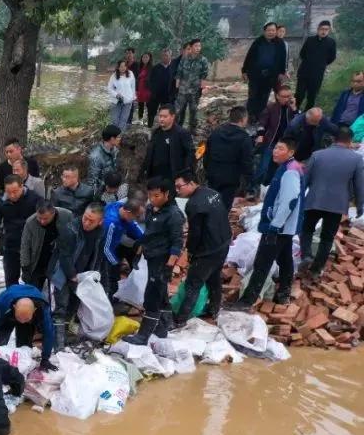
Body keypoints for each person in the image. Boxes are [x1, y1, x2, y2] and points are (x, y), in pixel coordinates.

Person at [227, 139, 305, 310]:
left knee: (262, 262)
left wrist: (275, 225)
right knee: (284, 259)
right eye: (275, 147)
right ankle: (284, 293)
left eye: (280, 149)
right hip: (285, 227)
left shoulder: (290, 172)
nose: (275, 151)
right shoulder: (288, 168)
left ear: (290, 152)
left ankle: (247, 301)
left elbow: (289, 201)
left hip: (278, 227)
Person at [299, 126, 364, 279]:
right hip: (337, 205)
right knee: (327, 238)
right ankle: (316, 269)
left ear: (334, 139)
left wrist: (300, 199)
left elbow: (304, 180)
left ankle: (307, 255)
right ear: (350, 141)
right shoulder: (356, 159)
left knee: (307, 230)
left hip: (314, 200)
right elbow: (360, 186)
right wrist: (360, 206)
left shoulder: (317, 155)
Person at [123, 178, 183, 344]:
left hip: (162, 260)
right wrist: (138, 252)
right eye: (150, 195)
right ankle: (163, 327)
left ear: (166, 194)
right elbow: (148, 234)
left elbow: (177, 243)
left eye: (157, 195)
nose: (153, 199)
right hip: (150, 256)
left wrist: (169, 267)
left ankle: (143, 336)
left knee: (152, 295)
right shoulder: (151, 209)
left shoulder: (173, 215)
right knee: (161, 292)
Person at [173, 172, 231, 324]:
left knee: (193, 284)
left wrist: (191, 252)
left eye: (180, 187)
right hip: (223, 243)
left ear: (191, 183)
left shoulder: (194, 204)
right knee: (214, 278)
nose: (178, 191)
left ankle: (180, 320)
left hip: (208, 250)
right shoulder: (213, 193)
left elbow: (195, 233)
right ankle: (214, 309)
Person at [50, 202, 105, 341]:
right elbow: (64, 256)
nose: (86, 223)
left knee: (74, 304)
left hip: (83, 274)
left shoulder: (100, 233)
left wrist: (94, 274)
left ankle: (66, 333)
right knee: (61, 306)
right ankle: (58, 343)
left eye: (91, 221)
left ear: (100, 222)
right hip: (63, 272)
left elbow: (98, 254)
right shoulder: (70, 229)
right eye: (85, 218)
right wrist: (73, 276)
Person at [0, 285, 56, 369]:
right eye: (19, 318)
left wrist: (45, 359)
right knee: (1, 343)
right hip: (8, 316)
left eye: (26, 319)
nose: (22, 321)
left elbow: (49, 334)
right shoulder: (4, 300)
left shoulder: (42, 310)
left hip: (27, 320)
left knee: (24, 346)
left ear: (34, 310)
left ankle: (21, 364)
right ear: (14, 307)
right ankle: (0, 363)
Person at [0, 174, 40, 286]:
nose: (12, 195)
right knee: (11, 280)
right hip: (11, 245)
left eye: (15, 191)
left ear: (22, 186)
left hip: (30, 246)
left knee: (31, 280)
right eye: (8, 192)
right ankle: (13, 301)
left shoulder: (34, 199)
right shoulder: (2, 202)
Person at [203, 106, 253, 210]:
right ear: (243, 119)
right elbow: (247, 162)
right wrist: (247, 183)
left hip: (213, 175)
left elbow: (206, 154)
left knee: (211, 206)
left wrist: (207, 170)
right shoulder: (244, 138)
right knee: (223, 208)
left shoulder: (216, 133)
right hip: (230, 179)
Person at [21, 201, 73, 291]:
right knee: (33, 292)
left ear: (53, 213)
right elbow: (25, 246)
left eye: (45, 218)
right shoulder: (30, 222)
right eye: (39, 218)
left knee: (57, 294)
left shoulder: (67, 216)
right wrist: (25, 267)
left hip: (58, 261)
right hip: (38, 260)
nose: (42, 221)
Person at [254, 86, 298, 189]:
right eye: (284, 96)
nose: (286, 99)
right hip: (271, 141)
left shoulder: (291, 109)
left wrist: (295, 109)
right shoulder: (271, 107)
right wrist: (260, 135)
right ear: (277, 96)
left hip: (285, 143)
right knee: (263, 167)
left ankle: (269, 187)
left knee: (279, 168)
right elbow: (262, 123)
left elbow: (298, 124)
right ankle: (253, 188)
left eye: (288, 96)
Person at [100, 200, 145, 301]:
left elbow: (133, 227)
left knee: (114, 278)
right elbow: (105, 248)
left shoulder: (122, 207)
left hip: (113, 246)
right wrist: (115, 263)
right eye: (135, 216)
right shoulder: (111, 222)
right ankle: (108, 303)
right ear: (128, 212)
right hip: (102, 252)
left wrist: (145, 239)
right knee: (111, 279)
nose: (136, 219)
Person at [243, 23, 288, 123]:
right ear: (265, 31)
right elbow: (249, 57)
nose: (271, 32)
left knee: (264, 96)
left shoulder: (280, 43)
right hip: (255, 74)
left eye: (273, 30)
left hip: (270, 75)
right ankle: (251, 115)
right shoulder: (258, 42)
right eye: (269, 30)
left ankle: (260, 116)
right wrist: (244, 71)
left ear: (276, 31)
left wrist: (282, 72)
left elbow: (283, 59)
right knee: (253, 95)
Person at [143, 105, 193, 182]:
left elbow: (190, 153)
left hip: (172, 176)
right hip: (154, 175)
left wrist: (185, 174)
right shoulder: (156, 132)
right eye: (160, 116)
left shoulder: (182, 133)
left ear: (172, 117)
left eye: (165, 116)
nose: (161, 119)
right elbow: (150, 153)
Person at [296, 20, 337, 112]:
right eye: (322, 29)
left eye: (326, 29)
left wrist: (321, 64)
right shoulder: (310, 40)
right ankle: (294, 112)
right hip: (304, 72)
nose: (323, 31)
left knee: (312, 96)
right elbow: (302, 53)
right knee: (299, 94)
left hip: (317, 74)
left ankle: (307, 115)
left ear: (329, 30)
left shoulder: (331, 42)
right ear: (318, 29)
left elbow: (332, 57)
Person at [175, 39, 210, 133]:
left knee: (193, 111)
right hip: (183, 90)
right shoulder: (184, 58)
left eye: (199, 46)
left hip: (195, 91)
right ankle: (175, 128)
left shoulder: (203, 60)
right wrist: (177, 87)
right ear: (191, 47)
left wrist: (202, 88)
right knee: (177, 110)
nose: (198, 48)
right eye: (196, 46)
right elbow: (179, 73)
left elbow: (204, 75)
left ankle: (192, 130)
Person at [87, 125, 121, 195]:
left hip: (112, 186)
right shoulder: (96, 156)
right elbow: (92, 181)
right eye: (118, 137)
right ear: (112, 139)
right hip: (102, 192)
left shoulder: (115, 150)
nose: (120, 139)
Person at [148, 49, 175, 128]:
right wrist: (152, 91)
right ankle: (149, 127)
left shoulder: (173, 68)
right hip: (155, 95)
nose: (164, 57)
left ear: (170, 56)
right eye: (163, 55)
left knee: (166, 113)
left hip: (168, 95)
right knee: (151, 112)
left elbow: (176, 82)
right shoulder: (156, 68)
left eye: (166, 55)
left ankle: (165, 128)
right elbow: (150, 80)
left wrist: (173, 93)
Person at [107, 60, 135, 130]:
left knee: (123, 120)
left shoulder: (130, 73)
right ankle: (114, 136)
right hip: (116, 101)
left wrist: (132, 97)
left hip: (128, 101)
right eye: (121, 66)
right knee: (115, 120)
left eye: (124, 66)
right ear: (118, 67)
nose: (123, 68)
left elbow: (133, 86)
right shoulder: (114, 76)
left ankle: (120, 137)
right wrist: (116, 94)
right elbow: (109, 88)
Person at [135, 52, 154, 126]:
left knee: (149, 105)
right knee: (140, 104)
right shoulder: (139, 66)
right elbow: (137, 78)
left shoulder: (152, 67)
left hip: (147, 89)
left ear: (149, 58)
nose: (145, 59)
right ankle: (140, 120)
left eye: (146, 57)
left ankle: (149, 121)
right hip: (140, 88)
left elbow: (153, 79)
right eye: (143, 57)